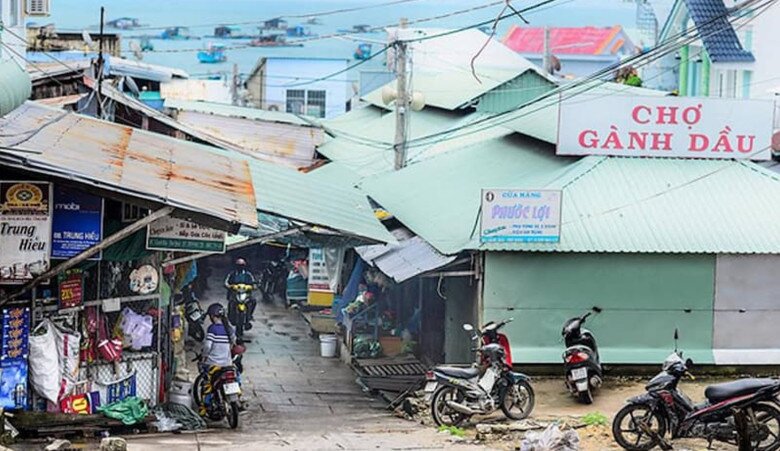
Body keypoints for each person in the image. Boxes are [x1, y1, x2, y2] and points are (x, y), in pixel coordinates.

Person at [199, 303, 235, 415]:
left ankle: (204, 408)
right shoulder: (230, 329)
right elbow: (233, 344)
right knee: (235, 377)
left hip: (214, 364)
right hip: (228, 363)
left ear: (212, 316)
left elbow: (208, 346)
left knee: (207, 383)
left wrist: (204, 357)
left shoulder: (212, 329)